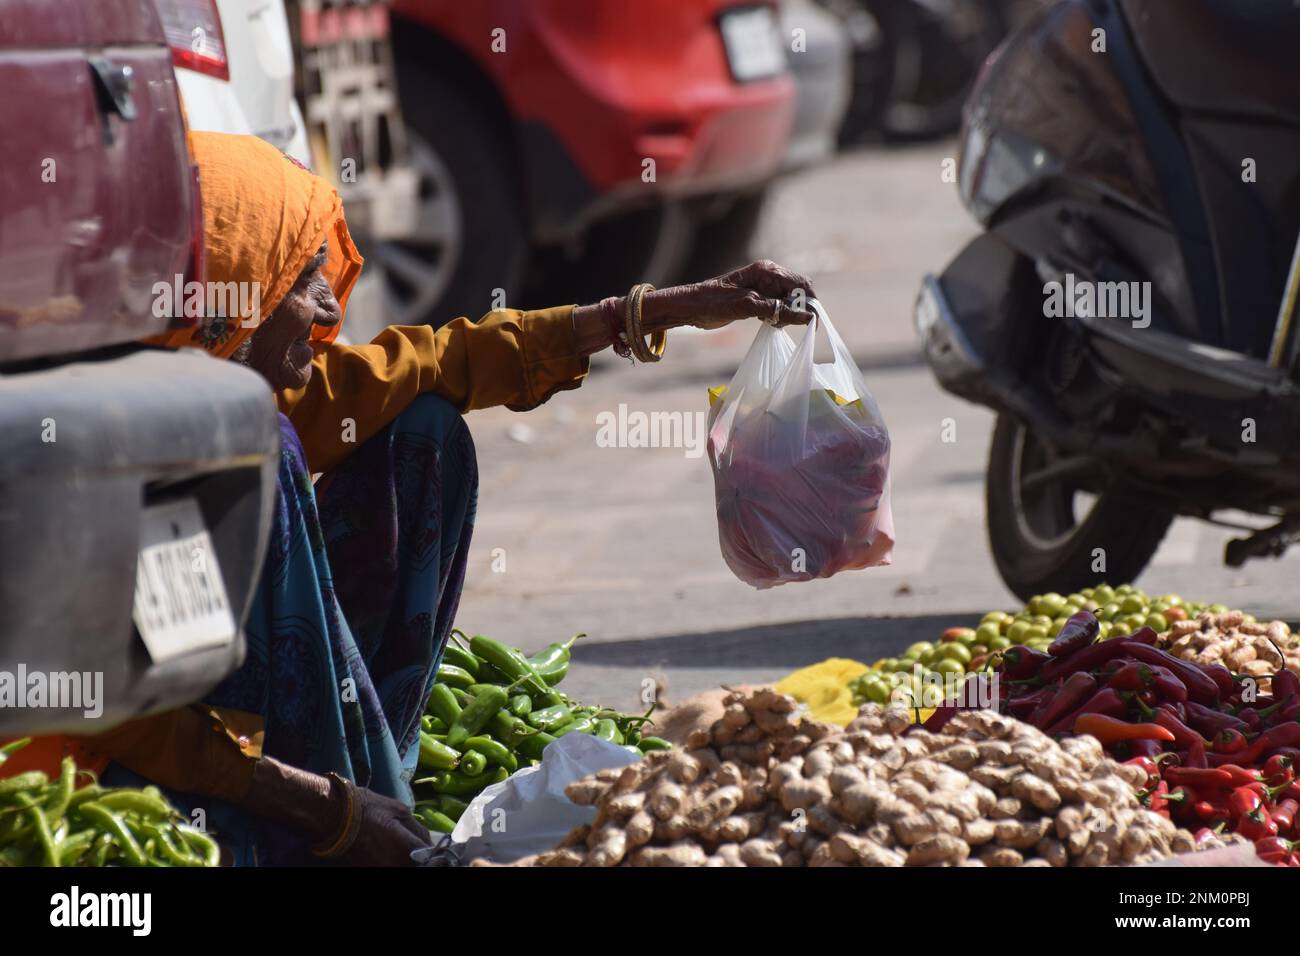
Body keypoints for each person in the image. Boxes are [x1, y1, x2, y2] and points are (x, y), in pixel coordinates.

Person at [74, 131, 817, 865]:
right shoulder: (88, 462)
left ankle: (369, 780)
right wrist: (327, 812)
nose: (329, 302)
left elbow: (432, 365)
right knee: (267, 448)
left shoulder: (202, 375)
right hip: (117, 772)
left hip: (251, 739)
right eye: (300, 278)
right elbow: (112, 717)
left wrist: (654, 311)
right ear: (224, 308)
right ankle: (317, 821)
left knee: (420, 429)